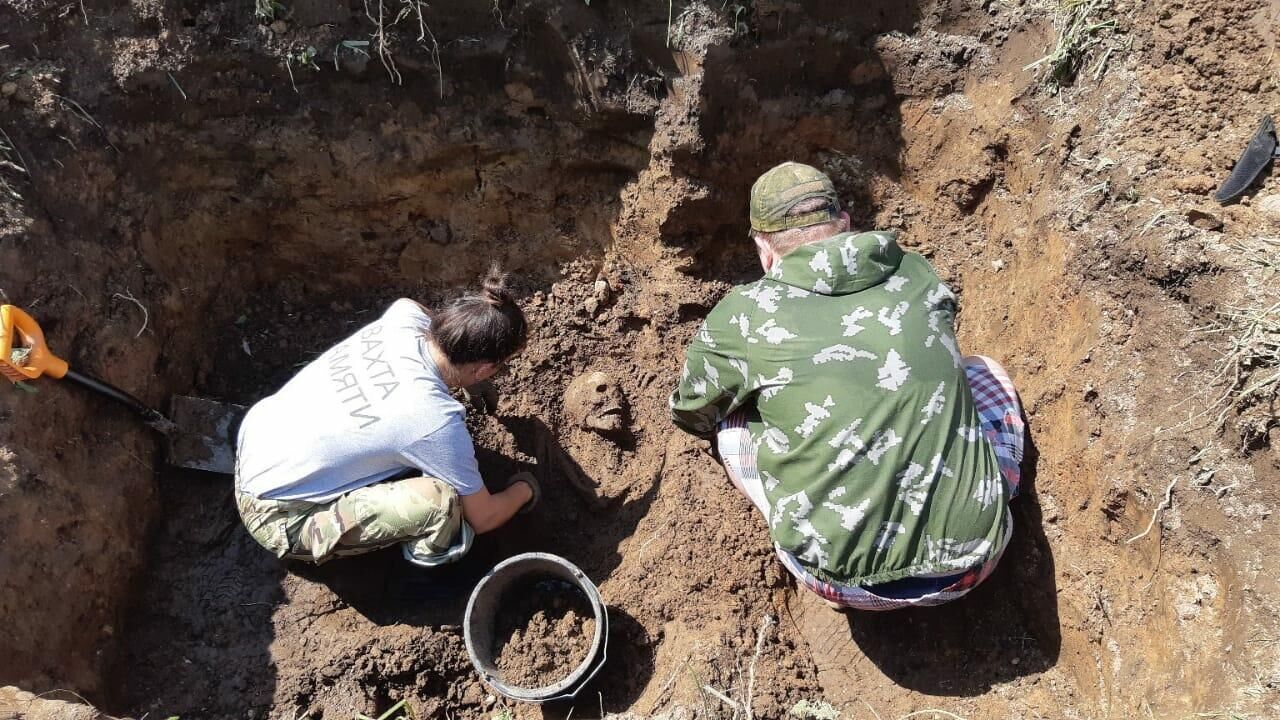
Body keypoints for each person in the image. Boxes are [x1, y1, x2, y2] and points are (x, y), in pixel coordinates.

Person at [669, 162, 1026, 610]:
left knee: (732, 426)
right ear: (845, 224)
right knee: (980, 368)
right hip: (976, 558)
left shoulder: (743, 314)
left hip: (842, 581)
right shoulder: (914, 271)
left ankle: (823, 573)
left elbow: (691, 411)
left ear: (764, 248)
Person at [234, 269, 539, 565]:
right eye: (499, 367)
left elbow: (417, 308)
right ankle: (426, 568)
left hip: (257, 437)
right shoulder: (434, 422)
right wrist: (524, 490)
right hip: (278, 514)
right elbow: (483, 517)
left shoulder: (404, 318)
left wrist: (473, 381)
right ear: (484, 368)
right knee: (438, 503)